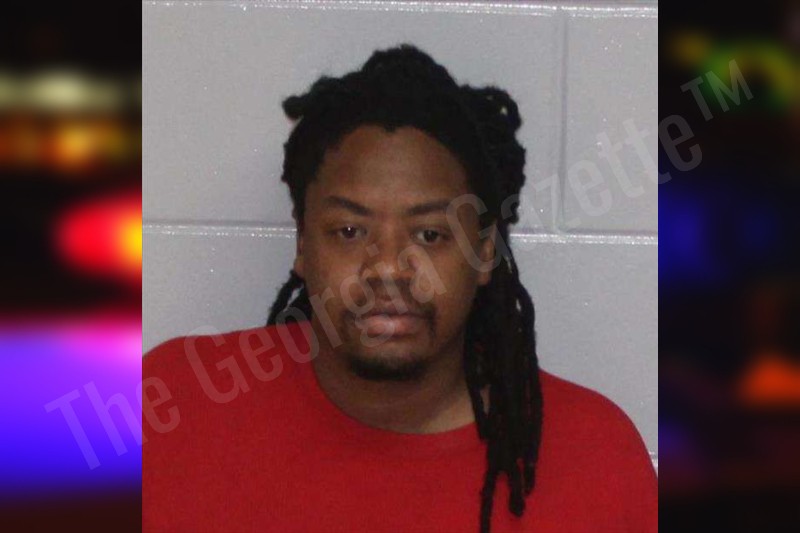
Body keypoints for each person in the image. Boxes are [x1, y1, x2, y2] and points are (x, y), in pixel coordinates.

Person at [143, 44, 657, 532]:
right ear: (302, 244)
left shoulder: (597, 459)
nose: (388, 268)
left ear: (484, 253)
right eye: (350, 231)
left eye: (430, 235)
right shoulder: (174, 407)